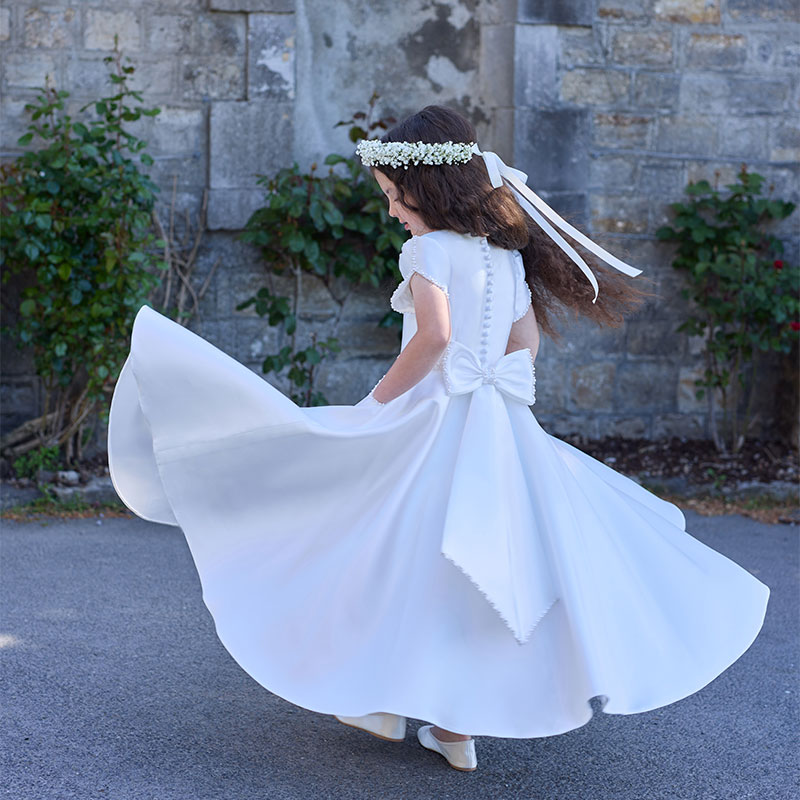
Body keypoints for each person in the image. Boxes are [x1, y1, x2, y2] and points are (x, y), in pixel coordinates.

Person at [107, 105, 770, 773]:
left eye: (395, 197)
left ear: (426, 191)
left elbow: (435, 338)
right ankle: (453, 728)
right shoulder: (506, 257)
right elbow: (526, 343)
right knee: (464, 570)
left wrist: (376, 403)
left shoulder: (429, 250)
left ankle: (380, 697)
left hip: (432, 422)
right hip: (498, 428)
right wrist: (495, 394)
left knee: (382, 545)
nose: (392, 210)